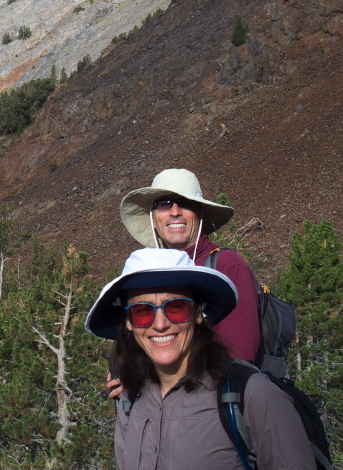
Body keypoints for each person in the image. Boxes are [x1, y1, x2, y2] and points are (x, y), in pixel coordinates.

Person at [86, 248, 315, 470]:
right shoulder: (131, 399)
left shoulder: (252, 394)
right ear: (128, 322)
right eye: (142, 311)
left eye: (176, 308)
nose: (160, 324)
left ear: (197, 314)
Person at [107, 168, 260, 398]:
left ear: (200, 213)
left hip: (210, 409)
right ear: (154, 219)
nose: (175, 212)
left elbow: (239, 356)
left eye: (185, 203)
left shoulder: (227, 265)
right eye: (164, 204)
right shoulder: (146, 272)